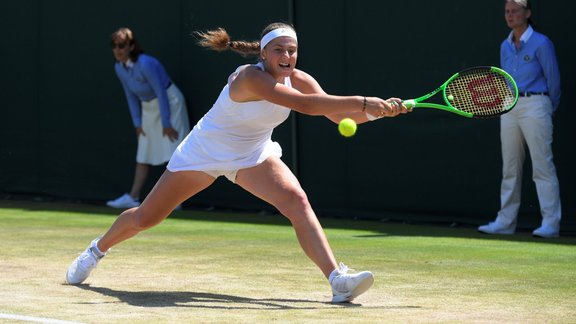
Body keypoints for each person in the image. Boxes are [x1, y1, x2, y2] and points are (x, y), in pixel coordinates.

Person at [66, 22, 410, 303]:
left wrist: (382, 112)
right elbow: (307, 107)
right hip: (205, 151)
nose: (287, 56)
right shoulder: (248, 77)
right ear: (263, 53)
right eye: (279, 50)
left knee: (296, 200)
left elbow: (336, 115)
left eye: (292, 50)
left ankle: (337, 280)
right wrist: (367, 101)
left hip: (252, 154)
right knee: (146, 217)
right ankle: (95, 251)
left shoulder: (300, 79)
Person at [479, 0, 561, 238]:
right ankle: (505, 222)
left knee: (542, 166)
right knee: (510, 168)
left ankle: (550, 224)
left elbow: (553, 80)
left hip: (537, 104)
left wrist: (546, 107)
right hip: (510, 106)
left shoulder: (542, 43)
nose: (510, 15)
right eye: (507, 11)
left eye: (515, 10)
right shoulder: (505, 46)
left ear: (527, 13)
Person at [106, 27, 190, 209]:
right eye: (114, 46)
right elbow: (130, 95)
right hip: (148, 108)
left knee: (175, 152)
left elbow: (161, 92)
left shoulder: (146, 63)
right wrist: (137, 123)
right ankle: (133, 196)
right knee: (143, 151)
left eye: (121, 45)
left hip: (170, 104)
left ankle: (177, 200)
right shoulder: (119, 68)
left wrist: (166, 123)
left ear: (131, 46)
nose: (117, 50)